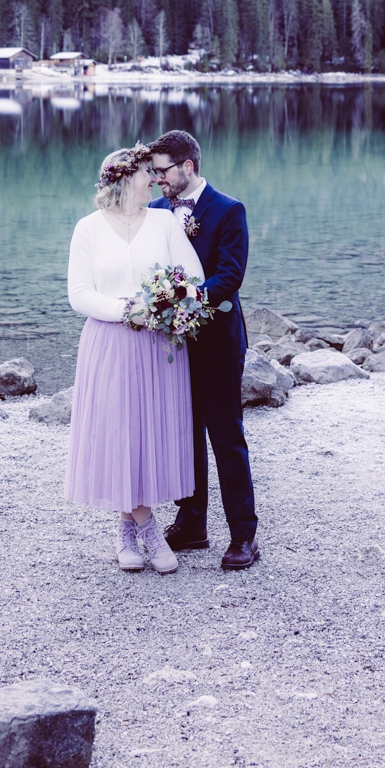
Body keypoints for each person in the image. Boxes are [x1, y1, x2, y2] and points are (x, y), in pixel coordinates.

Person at [64, 143, 203, 574]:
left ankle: (127, 529)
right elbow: (79, 295)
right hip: (108, 344)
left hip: (157, 346)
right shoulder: (87, 229)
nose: (156, 180)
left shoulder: (163, 222)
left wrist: (165, 305)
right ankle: (148, 530)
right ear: (126, 179)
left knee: (147, 434)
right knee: (120, 433)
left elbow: (193, 279)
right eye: (148, 172)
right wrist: (127, 310)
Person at [147, 129, 259, 570]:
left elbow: (229, 276)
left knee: (226, 438)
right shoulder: (156, 212)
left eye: (162, 171)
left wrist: (182, 303)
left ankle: (244, 536)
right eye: (153, 173)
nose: (157, 180)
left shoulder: (229, 210)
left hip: (217, 344)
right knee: (183, 435)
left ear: (187, 166)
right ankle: (192, 523)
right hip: (171, 345)